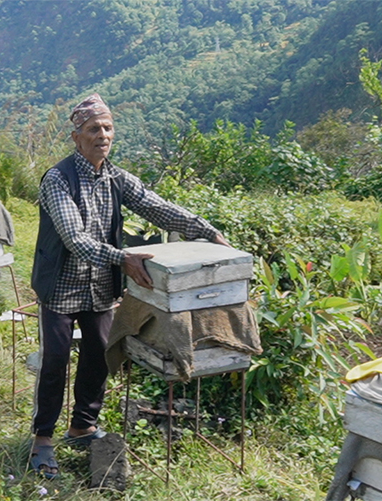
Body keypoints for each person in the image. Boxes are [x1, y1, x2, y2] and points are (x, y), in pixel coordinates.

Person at [29, 93, 229, 478]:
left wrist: (206, 230)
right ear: (76, 137)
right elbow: (75, 239)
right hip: (60, 287)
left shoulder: (116, 177)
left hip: (100, 287)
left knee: (100, 354)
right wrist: (125, 258)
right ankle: (42, 439)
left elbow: (157, 206)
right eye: (93, 129)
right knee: (55, 359)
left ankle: (82, 426)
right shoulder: (58, 179)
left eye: (107, 128)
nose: (102, 135)